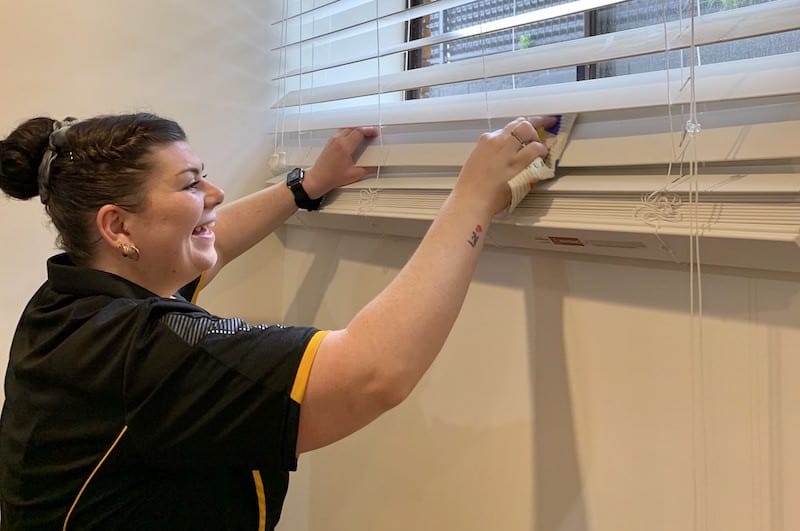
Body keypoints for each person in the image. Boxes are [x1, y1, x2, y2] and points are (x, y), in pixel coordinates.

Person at [0, 111, 552, 530]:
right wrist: (473, 198)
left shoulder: (69, 299)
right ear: (117, 225)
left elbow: (216, 240)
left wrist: (304, 187)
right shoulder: (141, 350)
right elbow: (373, 371)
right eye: (191, 184)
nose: (214, 195)